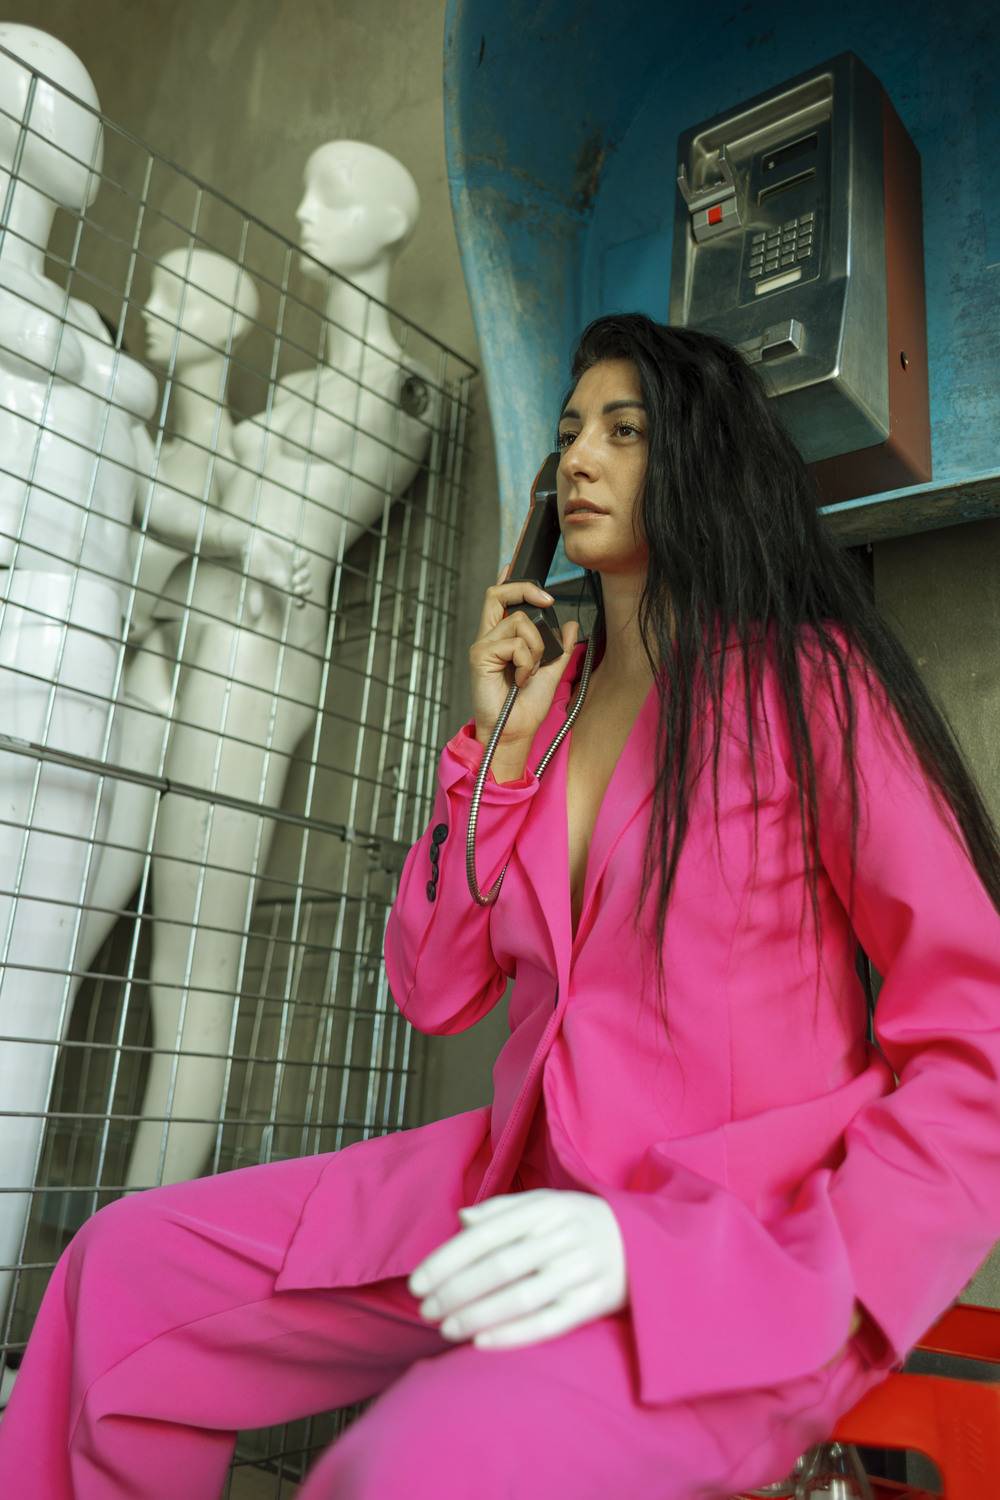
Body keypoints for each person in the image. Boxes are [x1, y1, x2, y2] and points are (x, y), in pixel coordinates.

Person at [1, 312, 1000, 1499]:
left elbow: (978, 1039)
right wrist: (495, 755)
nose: (578, 459)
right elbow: (433, 990)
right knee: (123, 1273)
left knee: (413, 1464)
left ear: (704, 459)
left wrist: (752, 1260)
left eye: (623, 432)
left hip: (734, 1247)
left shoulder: (808, 688)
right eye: (568, 433)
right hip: (509, 1189)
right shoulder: (547, 709)